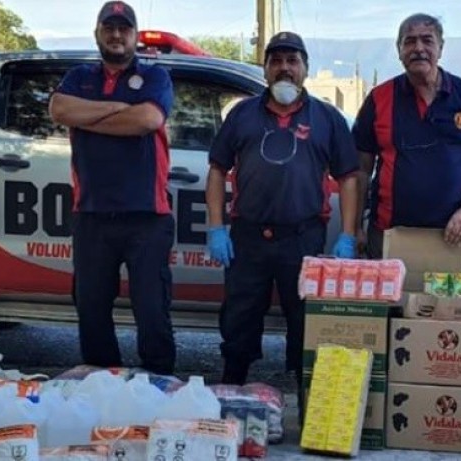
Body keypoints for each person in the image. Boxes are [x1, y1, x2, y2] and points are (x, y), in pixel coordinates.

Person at [205, 31, 361, 385]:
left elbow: (349, 177)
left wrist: (348, 235)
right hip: (248, 238)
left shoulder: (327, 118)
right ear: (265, 68)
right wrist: (216, 227)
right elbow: (217, 169)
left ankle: (307, 410)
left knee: (304, 325)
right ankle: (233, 397)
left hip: (302, 239)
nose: (284, 68)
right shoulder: (242, 114)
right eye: (276, 61)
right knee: (239, 324)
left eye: (293, 61)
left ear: (305, 68)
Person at [49, 0, 176, 375]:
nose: (117, 34)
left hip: (147, 217)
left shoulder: (155, 78)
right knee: (91, 308)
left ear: (135, 36)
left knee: (151, 309)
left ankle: (159, 383)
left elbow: (149, 118)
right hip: (92, 215)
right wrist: (121, 109)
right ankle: (102, 386)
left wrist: (87, 116)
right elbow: (58, 110)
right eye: (109, 27)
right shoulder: (78, 77)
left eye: (124, 28)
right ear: (98, 33)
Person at [353, 13, 461, 258]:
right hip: (389, 236)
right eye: (409, 41)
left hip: (453, 237)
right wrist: (355, 228)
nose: (418, 48)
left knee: (448, 299)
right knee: (391, 298)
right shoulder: (379, 99)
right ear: (399, 50)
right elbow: (361, 170)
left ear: (440, 48)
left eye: (427, 40)